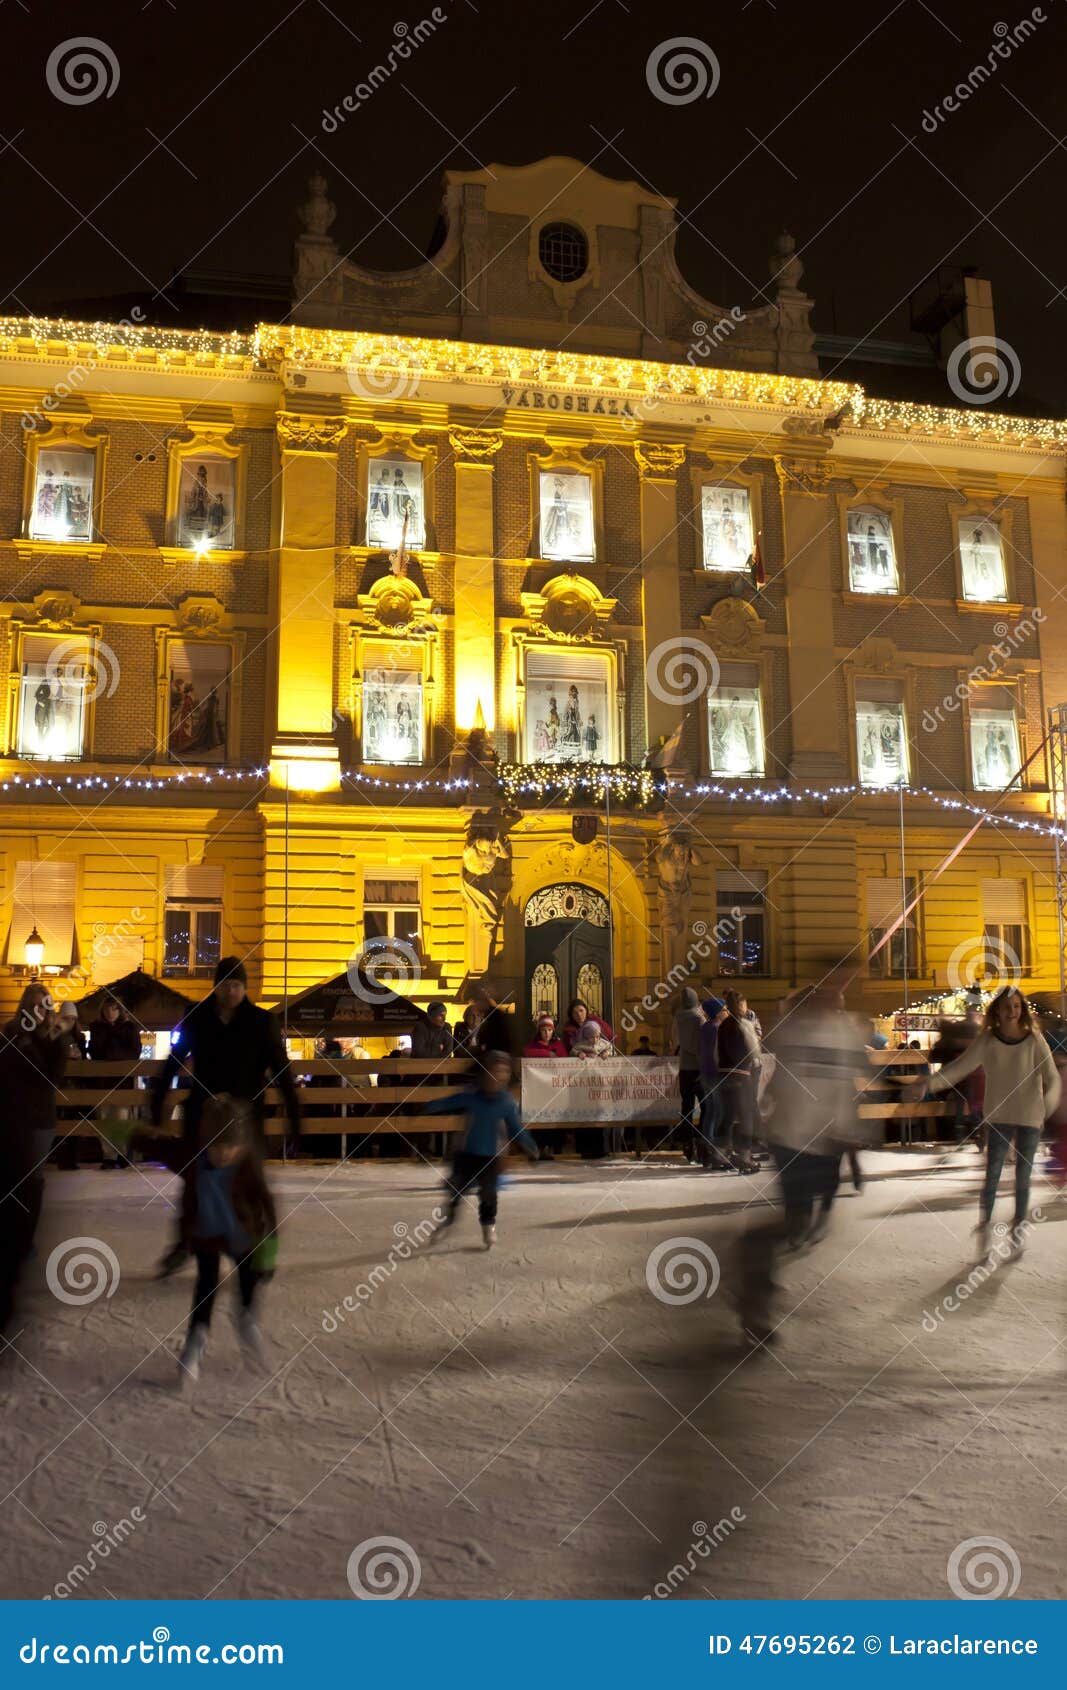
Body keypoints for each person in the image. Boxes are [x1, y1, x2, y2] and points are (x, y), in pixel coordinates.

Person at [736, 970, 869, 1346]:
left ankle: (755, 1274)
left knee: (803, 1226)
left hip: (825, 1141)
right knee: (795, 1224)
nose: (835, 1008)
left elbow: (849, 1085)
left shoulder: (841, 1035)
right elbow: (784, 1084)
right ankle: (754, 1289)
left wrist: (850, 1137)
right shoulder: (794, 1033)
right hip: (793, 1140)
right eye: (828, 1003)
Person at [149, 957, 300, 1275]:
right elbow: (174, 1061)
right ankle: (184, 1242)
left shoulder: (262, 1022)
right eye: (225, 984)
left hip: (245, 1119)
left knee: (249, 1185)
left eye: (236, 985)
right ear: (216, 986)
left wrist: (295, 1116)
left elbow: (282, 1070)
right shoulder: (197, 1016)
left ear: (244, 988)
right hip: (204, 1116)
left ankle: (259, 1247)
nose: (231, 991)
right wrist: (157, 1101)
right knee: (195, 1184)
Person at [917, 987, 1060, 1258]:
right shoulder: (988, 1040)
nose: (1012, 1011)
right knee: (992, 1174)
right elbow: (960, 1067)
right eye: (1006, 1006)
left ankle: (1018, 1227)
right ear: (997, 1010)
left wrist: (1046, 1107)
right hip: (999, 1116)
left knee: (1022, 1178)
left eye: (1016, 1006)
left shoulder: (1034, 1039)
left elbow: (1052, 1077)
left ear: (1022, 1009)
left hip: (1030, 1116)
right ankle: (985, 1225)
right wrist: (928, 1085)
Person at [153, 1095, 277, 1384]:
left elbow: (267, 1204)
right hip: (205, 1234)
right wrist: (128, 1132)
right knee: (206, 1285)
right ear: (205, 1142)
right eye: (217, 1147)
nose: (224, 1154)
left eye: (231, 1147)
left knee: (249, 1277)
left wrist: (270, 1249)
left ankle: (247, 1321)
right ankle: (196, 1339)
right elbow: (158, 1146)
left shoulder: (247, 1164)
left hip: (242, 1235)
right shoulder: (193, 1160)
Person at [0, 984, 66, 1335]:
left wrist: (31, 1047)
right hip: (10, 1117)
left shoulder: (53, 1039)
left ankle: (25, 1239)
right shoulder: (8, 1032)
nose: (39, 1011)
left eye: (44, 1006)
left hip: (39, 1118)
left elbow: (51, 1078)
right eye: (34, 1005)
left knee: (33, 1181)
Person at [421, 1051, 539, 1247]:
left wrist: (530, 1147)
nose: (499, 1076)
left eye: (504, 1072)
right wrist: (429, 1107)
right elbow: (450, 1102)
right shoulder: (471, 1096)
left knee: (489, 1193)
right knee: (456, 1189)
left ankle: (488, 1225)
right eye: (495, 1071)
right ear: (485, 1073)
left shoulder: (506, 1103)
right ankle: (448, 1220)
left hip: (491, 1157)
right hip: (466, 1155)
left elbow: (516, 1128)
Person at [88, 998, 142, 1169]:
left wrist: (115, 1054)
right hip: (103, 1081)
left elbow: (135, 1052)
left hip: (122, 1080)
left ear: (120, 1011)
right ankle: (109, 1156)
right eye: (107, 1009)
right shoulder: (97, 1028)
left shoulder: (129, 1028)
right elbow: (95, 1051)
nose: (110, 1013)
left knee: (121, 1117)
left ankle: (122, 1153)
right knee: (104, 1117)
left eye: (114, 1009)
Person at [716, 990, 762, 1173]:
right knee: (746, 1116)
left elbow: (717, 1052)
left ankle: (719, 1155)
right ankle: (745, 1157)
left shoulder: (723, 1025)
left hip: (724, 1075)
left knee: (727, 1116)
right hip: (741, 1075)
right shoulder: (744, 1024)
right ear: (742, 1004)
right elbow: (753, 1052)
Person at [696, 996, 733, 1171]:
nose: (727, 1012)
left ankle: (707, 1148)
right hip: (716, 1074)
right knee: (719, 1112)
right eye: (725, 1009)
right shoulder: (717, 1028)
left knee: (710, 1112)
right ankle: (715, 1151)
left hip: (705, 1074)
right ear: (717, 1013)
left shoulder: (705, 1027)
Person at [670, 986, 706, 1162]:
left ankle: (687, 1143)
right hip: (698, 1068)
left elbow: (675, 1042)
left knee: (687, 1108)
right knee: (706, 1106)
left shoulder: (677, 1019)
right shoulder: (699, 1018)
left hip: (684, 1068)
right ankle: (702, 1141)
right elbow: (701, 1044)